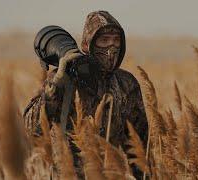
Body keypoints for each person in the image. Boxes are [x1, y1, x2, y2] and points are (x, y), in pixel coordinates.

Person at [23, 10, 148, 178]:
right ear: (90, 44)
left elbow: (139, 146)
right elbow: (30, 130)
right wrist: (55, 87)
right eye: (104, 40)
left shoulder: (127, 84)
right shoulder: (64, 79)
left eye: (117, 40)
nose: (112, 46)